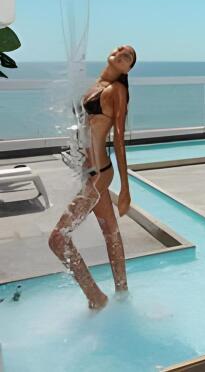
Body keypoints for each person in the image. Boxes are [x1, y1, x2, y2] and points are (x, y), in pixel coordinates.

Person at [49, 45, 136, 309]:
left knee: (58, 239)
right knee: (110, 231)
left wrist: (125, 188)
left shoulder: (117, 90)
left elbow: (118, 140)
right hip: (89, 171)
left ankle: (95, 297)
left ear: (128, 69)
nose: (122, 54)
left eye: (128, 56)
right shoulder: (96, 86)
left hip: (99, 174)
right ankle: (122, 293)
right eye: (120, 50)